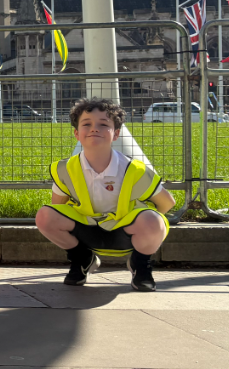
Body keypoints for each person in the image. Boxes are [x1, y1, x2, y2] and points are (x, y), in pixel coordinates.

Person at [35, 98, 174, 291]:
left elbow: (167, 203)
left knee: (154, 220)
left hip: (125, 233)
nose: (94, 129)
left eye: (103, 124)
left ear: (116, 134)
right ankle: (82, 258)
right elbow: (57, 207)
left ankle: (140, 264)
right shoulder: (66, 169)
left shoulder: (134, 170)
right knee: (44, 215)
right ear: (76, 133)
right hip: (87, 232)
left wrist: (147, 226)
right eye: (87, 124)